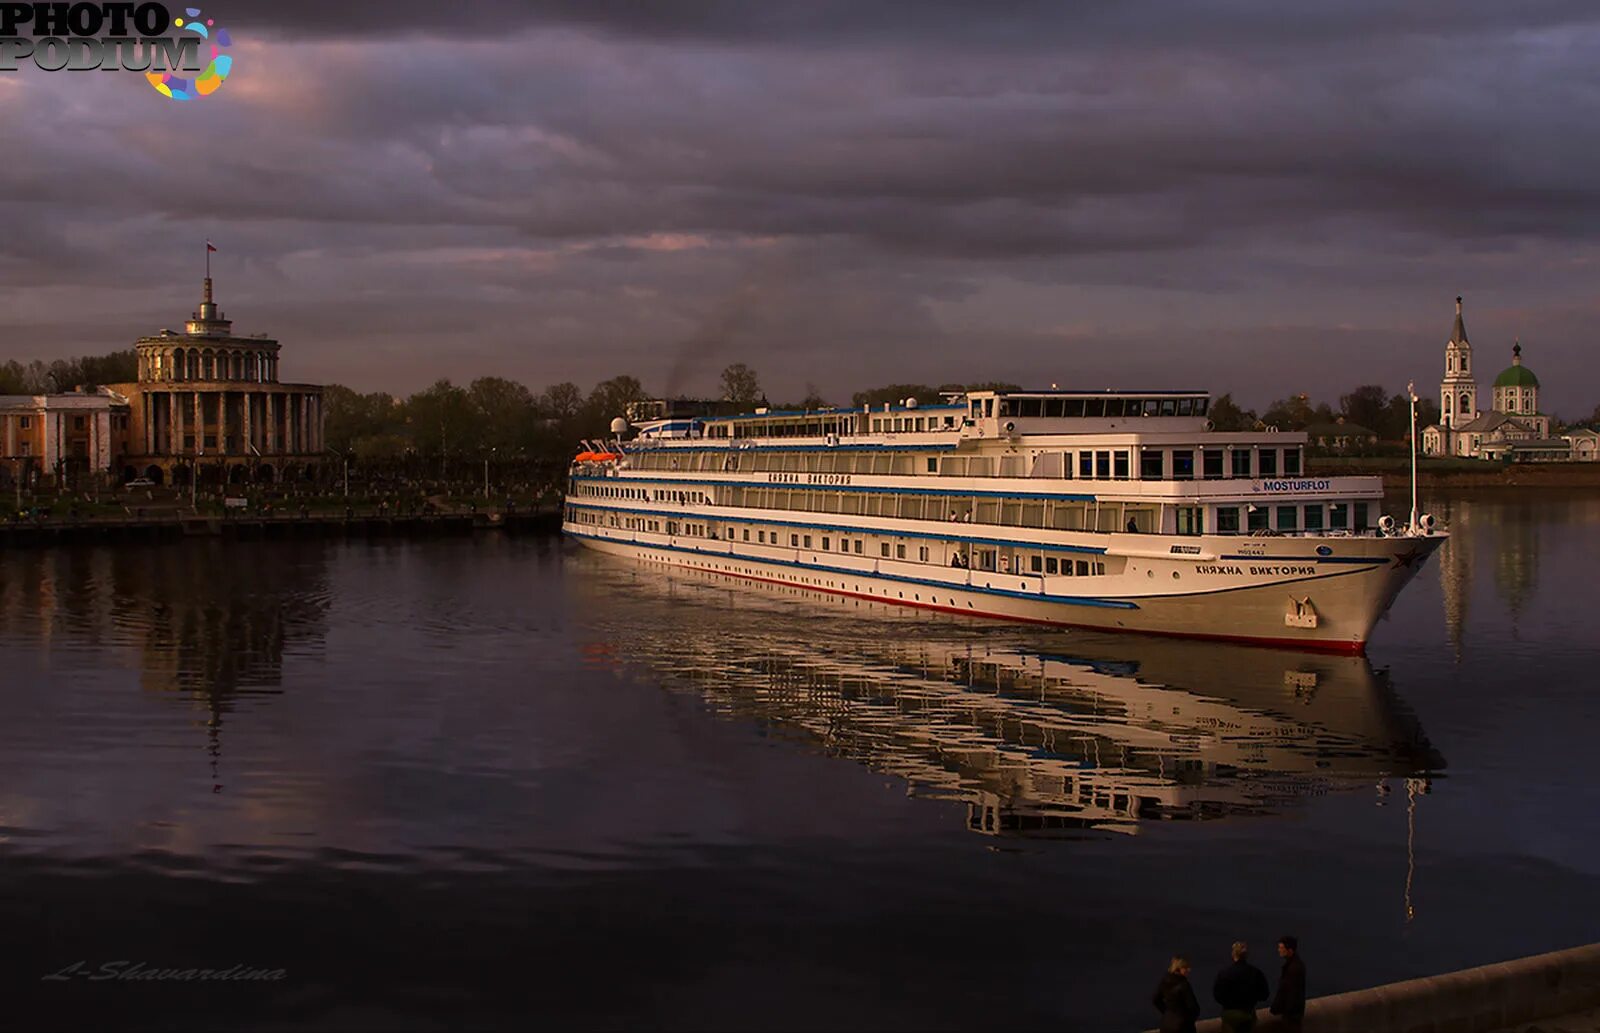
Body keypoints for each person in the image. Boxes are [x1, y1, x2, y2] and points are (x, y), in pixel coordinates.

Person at [1213, 941, 1269, 1032]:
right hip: (1248, 1013)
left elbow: (1217, 995)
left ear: (1233, 954)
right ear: (1246, 955)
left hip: (1229, 1014)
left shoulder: (1224, 973)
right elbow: (1264, 994)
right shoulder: (1255, 973)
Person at [1152, 955, 1199, 1033]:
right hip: (1182, 1027)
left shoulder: (1165, 981)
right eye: (1185, 968)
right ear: (1178, 969)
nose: (1189, 970)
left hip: (1166, 1025)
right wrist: (1187, 1020)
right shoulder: (1184, 985)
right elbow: (1193, 1007)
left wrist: (1167, 1012)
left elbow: (1155, 1000)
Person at [1271, 936, 1307, 1033]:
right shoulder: (1297, 965)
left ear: (1290, 950)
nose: (1279, 950)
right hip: (1294, 1014)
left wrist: (1277, 1007)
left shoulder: (1293, 968)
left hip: (1291, 1016)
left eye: (1281, 948)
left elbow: (1289, 992)